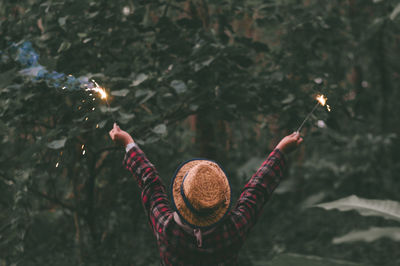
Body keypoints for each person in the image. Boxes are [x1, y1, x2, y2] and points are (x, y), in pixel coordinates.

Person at [109, 123, 303, 265]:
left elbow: (150, 183)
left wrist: (128, 143)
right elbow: (257, 190)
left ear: (182, 197)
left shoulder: (167, 230)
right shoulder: (233, 230)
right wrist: (281, 151)